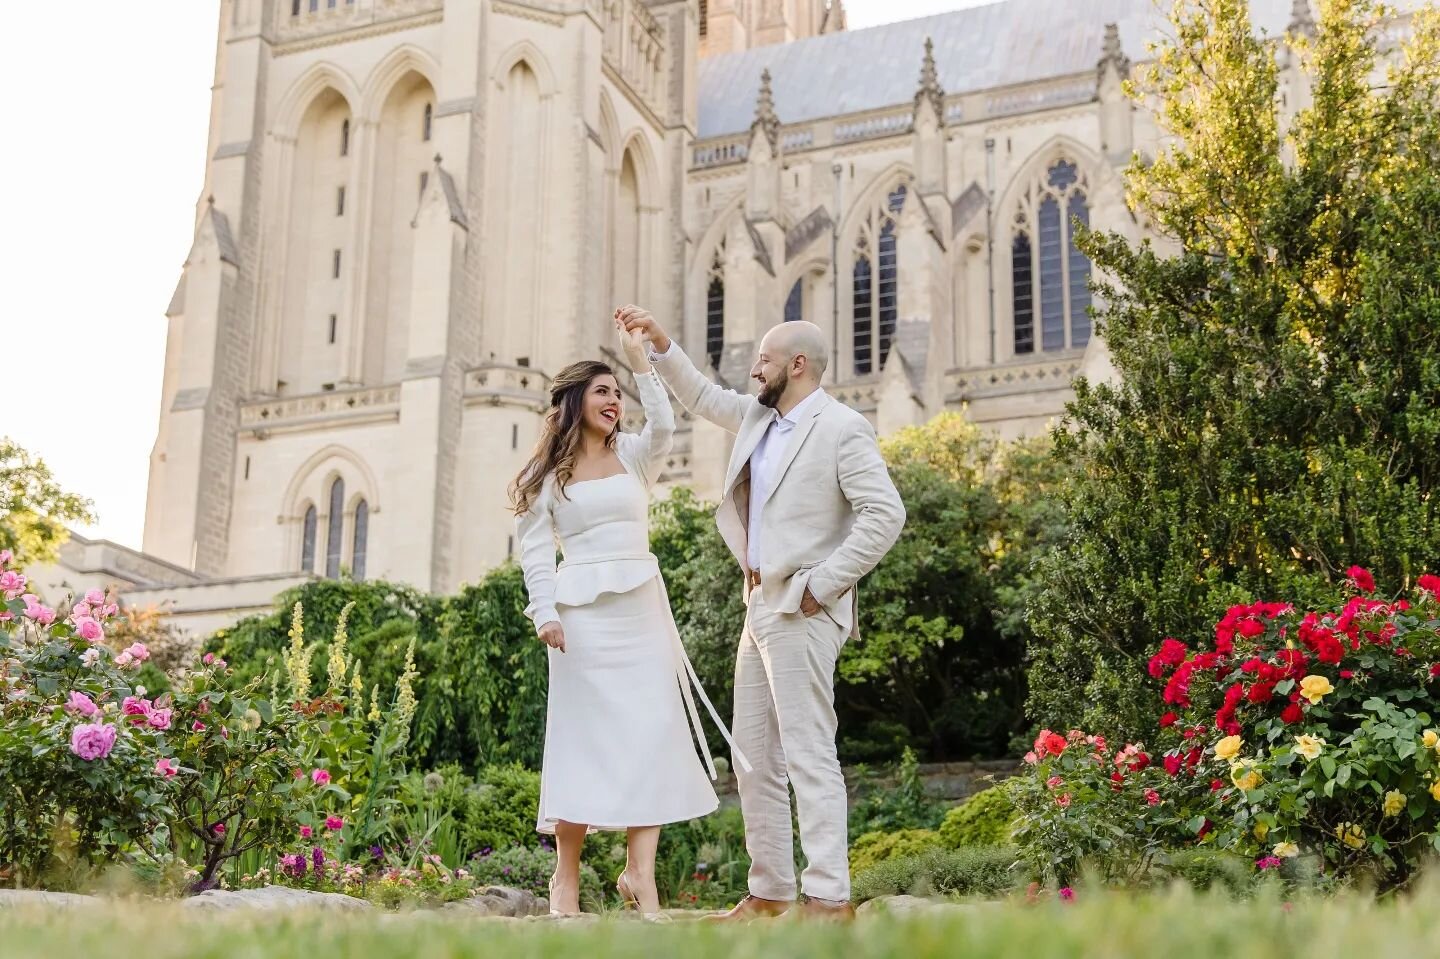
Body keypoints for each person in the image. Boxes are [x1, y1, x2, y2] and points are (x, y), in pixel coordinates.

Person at [618, 305, 906, 922]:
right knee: (751, 758)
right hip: (758, 608)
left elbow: (886, 515)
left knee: (808, 753)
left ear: (797, 366)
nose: (754, 369)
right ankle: (771, 890)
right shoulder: (757, 416)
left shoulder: (842, 427)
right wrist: (662, 342)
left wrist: (821, 586)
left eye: (765, 360)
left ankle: (828, 895)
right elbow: (698, 395)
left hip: (804, 606)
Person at [509, 316, 743, 919]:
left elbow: (666, 423)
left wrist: (644, 363)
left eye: (618, 392)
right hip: (580, 621)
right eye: (602, 391)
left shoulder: (636, 456)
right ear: (573, 404)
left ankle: (640, 874)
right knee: (581, 742)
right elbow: (535, 553)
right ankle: (566, 876)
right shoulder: (545, 480)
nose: (614, 401)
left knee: (651, 734)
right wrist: (545, 614)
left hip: (642, 611)